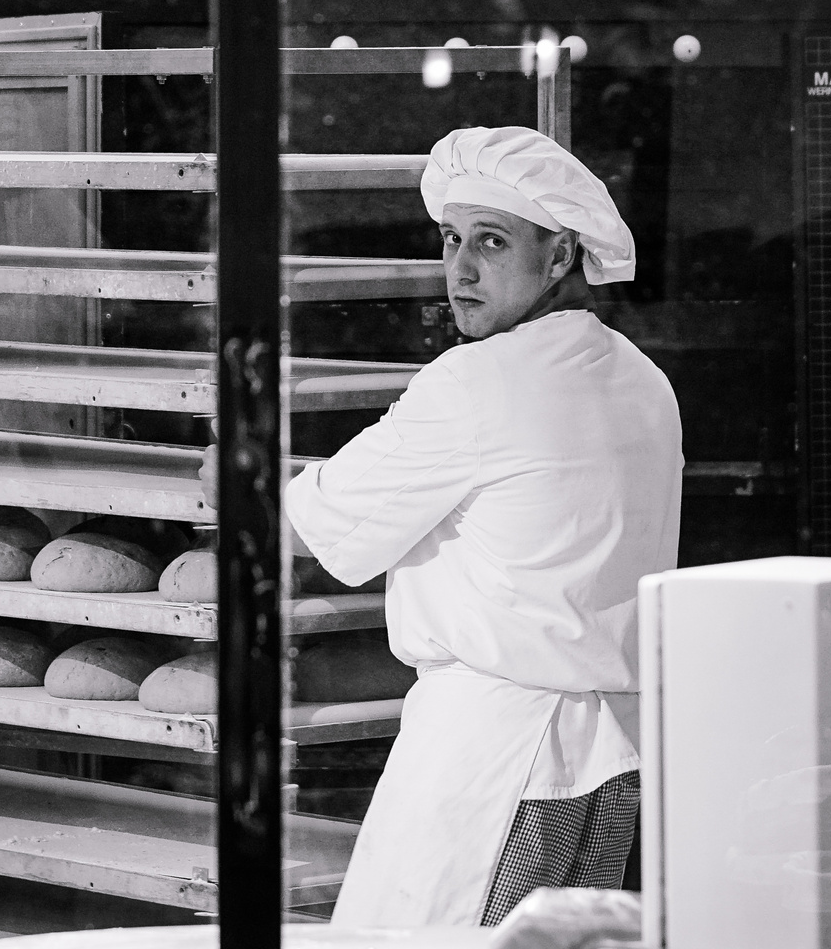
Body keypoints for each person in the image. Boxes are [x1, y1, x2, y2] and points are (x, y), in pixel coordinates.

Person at [210, 126, 683, 927]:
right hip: (610, 762)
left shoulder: (476, 382)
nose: (459, 269)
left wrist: (230, 472)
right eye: (452, 239)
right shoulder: (643, 378)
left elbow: (306, 519)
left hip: (493, 758)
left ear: (562, 255)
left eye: (491, 243)